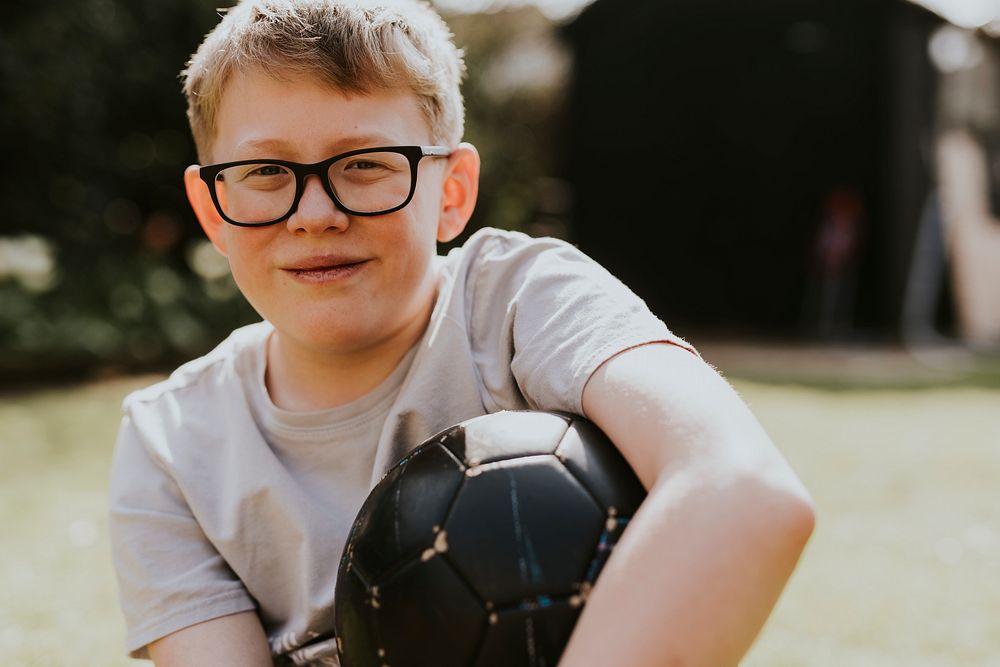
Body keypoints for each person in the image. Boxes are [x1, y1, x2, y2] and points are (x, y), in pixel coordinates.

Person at [108, 1, 815, 665]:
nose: (315, 213)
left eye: (364, 164)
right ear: (213, 209)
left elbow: (743, 488)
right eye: (265, 171)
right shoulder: (172, 445)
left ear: (451, 192)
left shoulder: (521, 301)